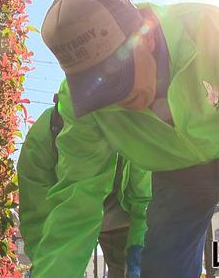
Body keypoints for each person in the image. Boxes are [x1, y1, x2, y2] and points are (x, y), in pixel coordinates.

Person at [30, 0, 219, 278]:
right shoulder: (81, 107)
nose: (117, 98)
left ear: (144, 37)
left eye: (118, 75)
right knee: (160, 270)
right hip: (175, 173)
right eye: (99, 88)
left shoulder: (212, 30)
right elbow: (76, 199)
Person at [17, 103, 151, 278]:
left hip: (123, 220)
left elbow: (144, 199)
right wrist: (49, 265)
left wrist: (138, 248)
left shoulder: (129, 128)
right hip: (70, 218)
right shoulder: (42, 137)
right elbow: (37, 216)